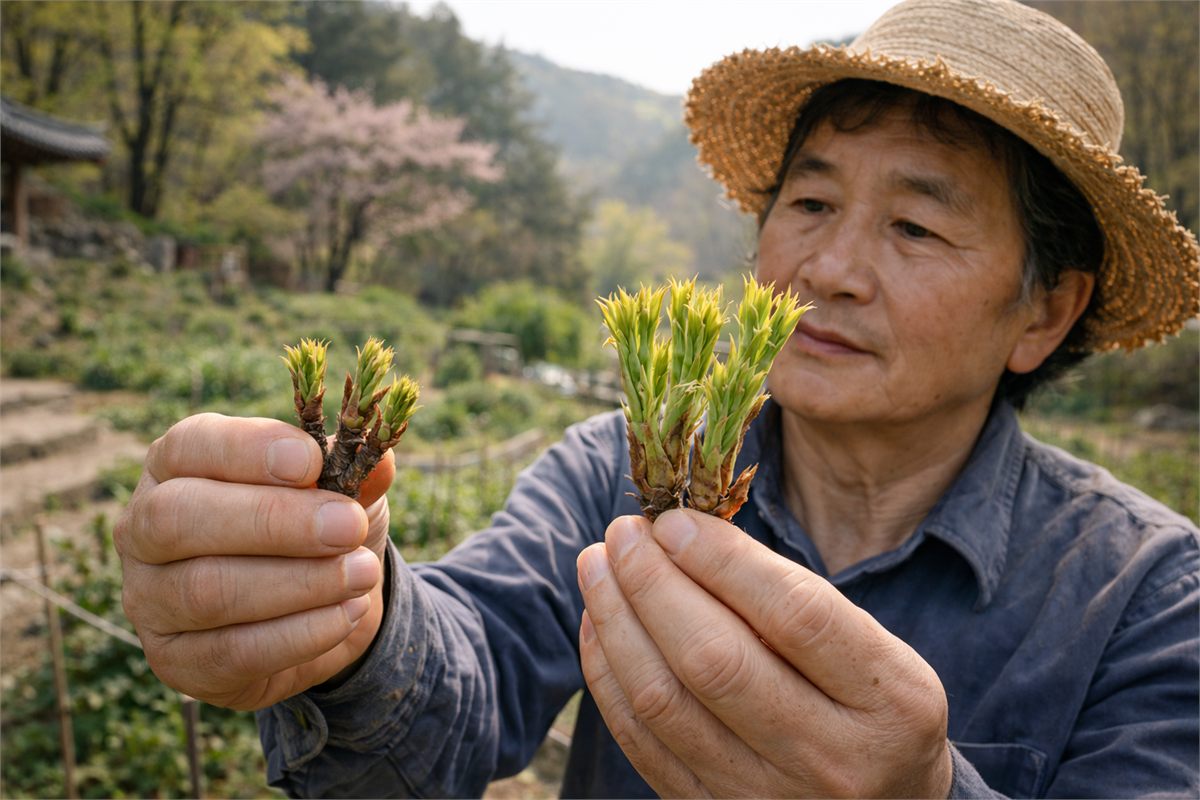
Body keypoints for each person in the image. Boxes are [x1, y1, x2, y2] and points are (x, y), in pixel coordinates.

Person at [115, 0, 1199, 796]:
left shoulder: (1148, 602)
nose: (828, 266)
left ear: (1045, 312)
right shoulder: (617, 469)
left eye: (915, 226)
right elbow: (457, 688)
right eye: (810, 198)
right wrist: (344, 621)